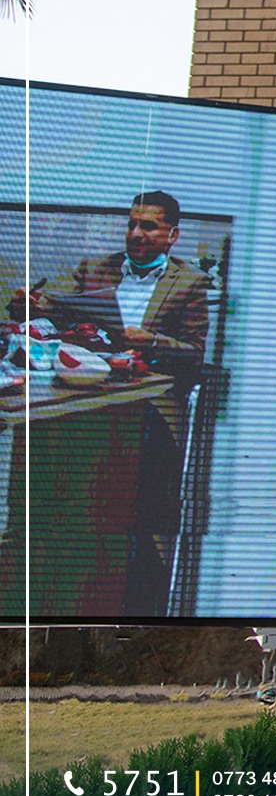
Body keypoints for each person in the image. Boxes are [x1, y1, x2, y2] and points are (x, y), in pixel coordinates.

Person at [23, 189, 210, 615]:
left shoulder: (190, 283)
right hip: (87, 394)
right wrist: (33, 308)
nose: (136, 234)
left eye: (148, 226)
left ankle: (128, 593)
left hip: (147, 404)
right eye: (131, 224)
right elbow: (59, 315)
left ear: (172, 235)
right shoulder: (96, 268)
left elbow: (195, 353)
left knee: (127, 507)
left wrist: (153, 339)